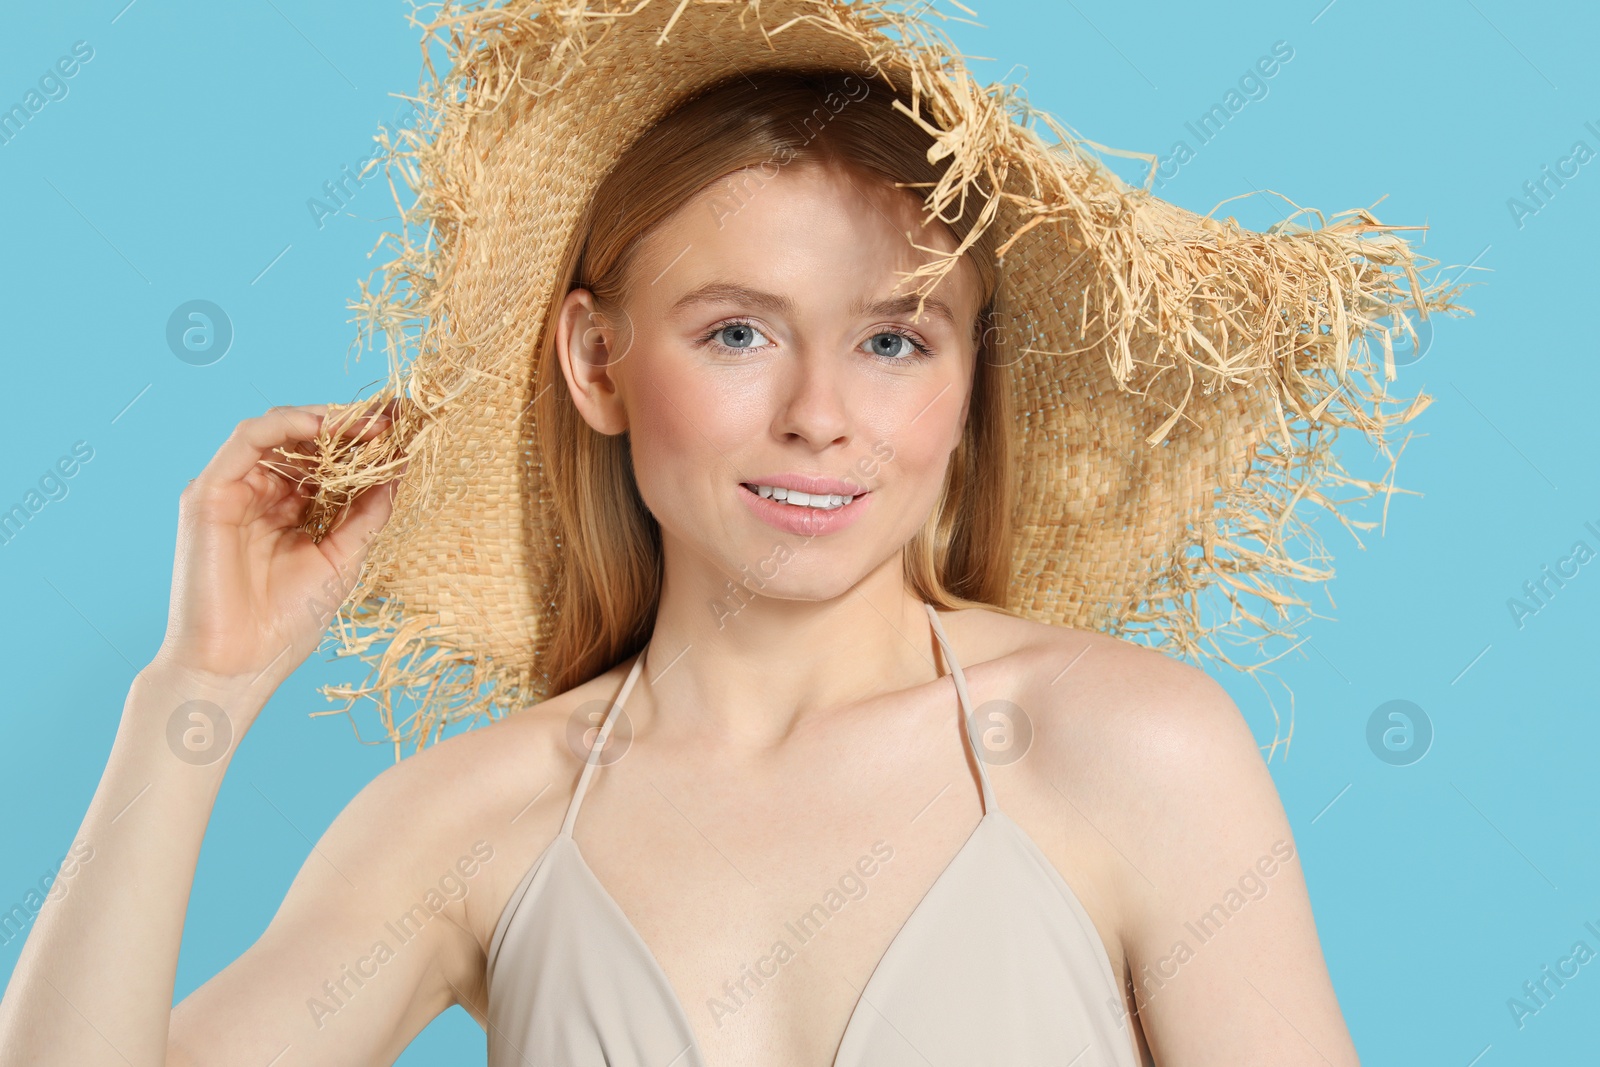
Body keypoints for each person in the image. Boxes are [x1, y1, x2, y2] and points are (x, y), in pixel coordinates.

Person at [0, 2, 1457, 1064]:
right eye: (741, 330)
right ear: (596, 361)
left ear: (967, 379)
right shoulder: (473, 827)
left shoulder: (1130, 750)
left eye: (895, 341)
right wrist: (195, 692)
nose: (823, 415)